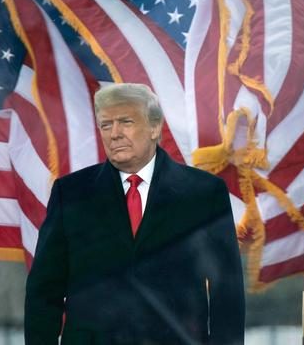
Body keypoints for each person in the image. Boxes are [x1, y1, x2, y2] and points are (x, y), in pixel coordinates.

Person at [24, 83, 245, 345]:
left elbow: (226, 293)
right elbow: (44, 291)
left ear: (154, 127)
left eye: (125, 122)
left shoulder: (204, 194)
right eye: (106, 125)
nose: (114, 134)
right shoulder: (70, 193)